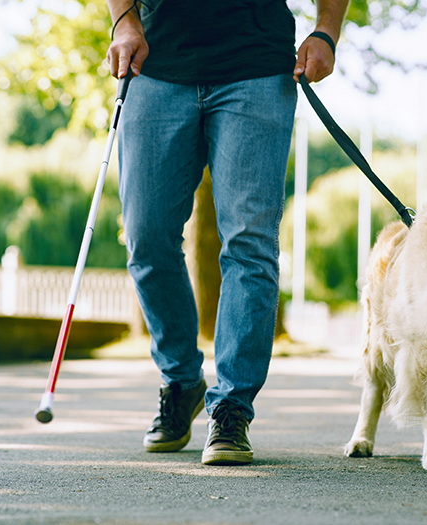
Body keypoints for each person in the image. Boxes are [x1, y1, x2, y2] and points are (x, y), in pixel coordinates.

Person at [106, 0, 348, 465]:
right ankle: (181, 381)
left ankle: (232, 406)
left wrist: (327, 31)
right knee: (147, 237)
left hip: (256, 69)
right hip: (156, 66)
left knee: (249, 244)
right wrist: (123, 20)